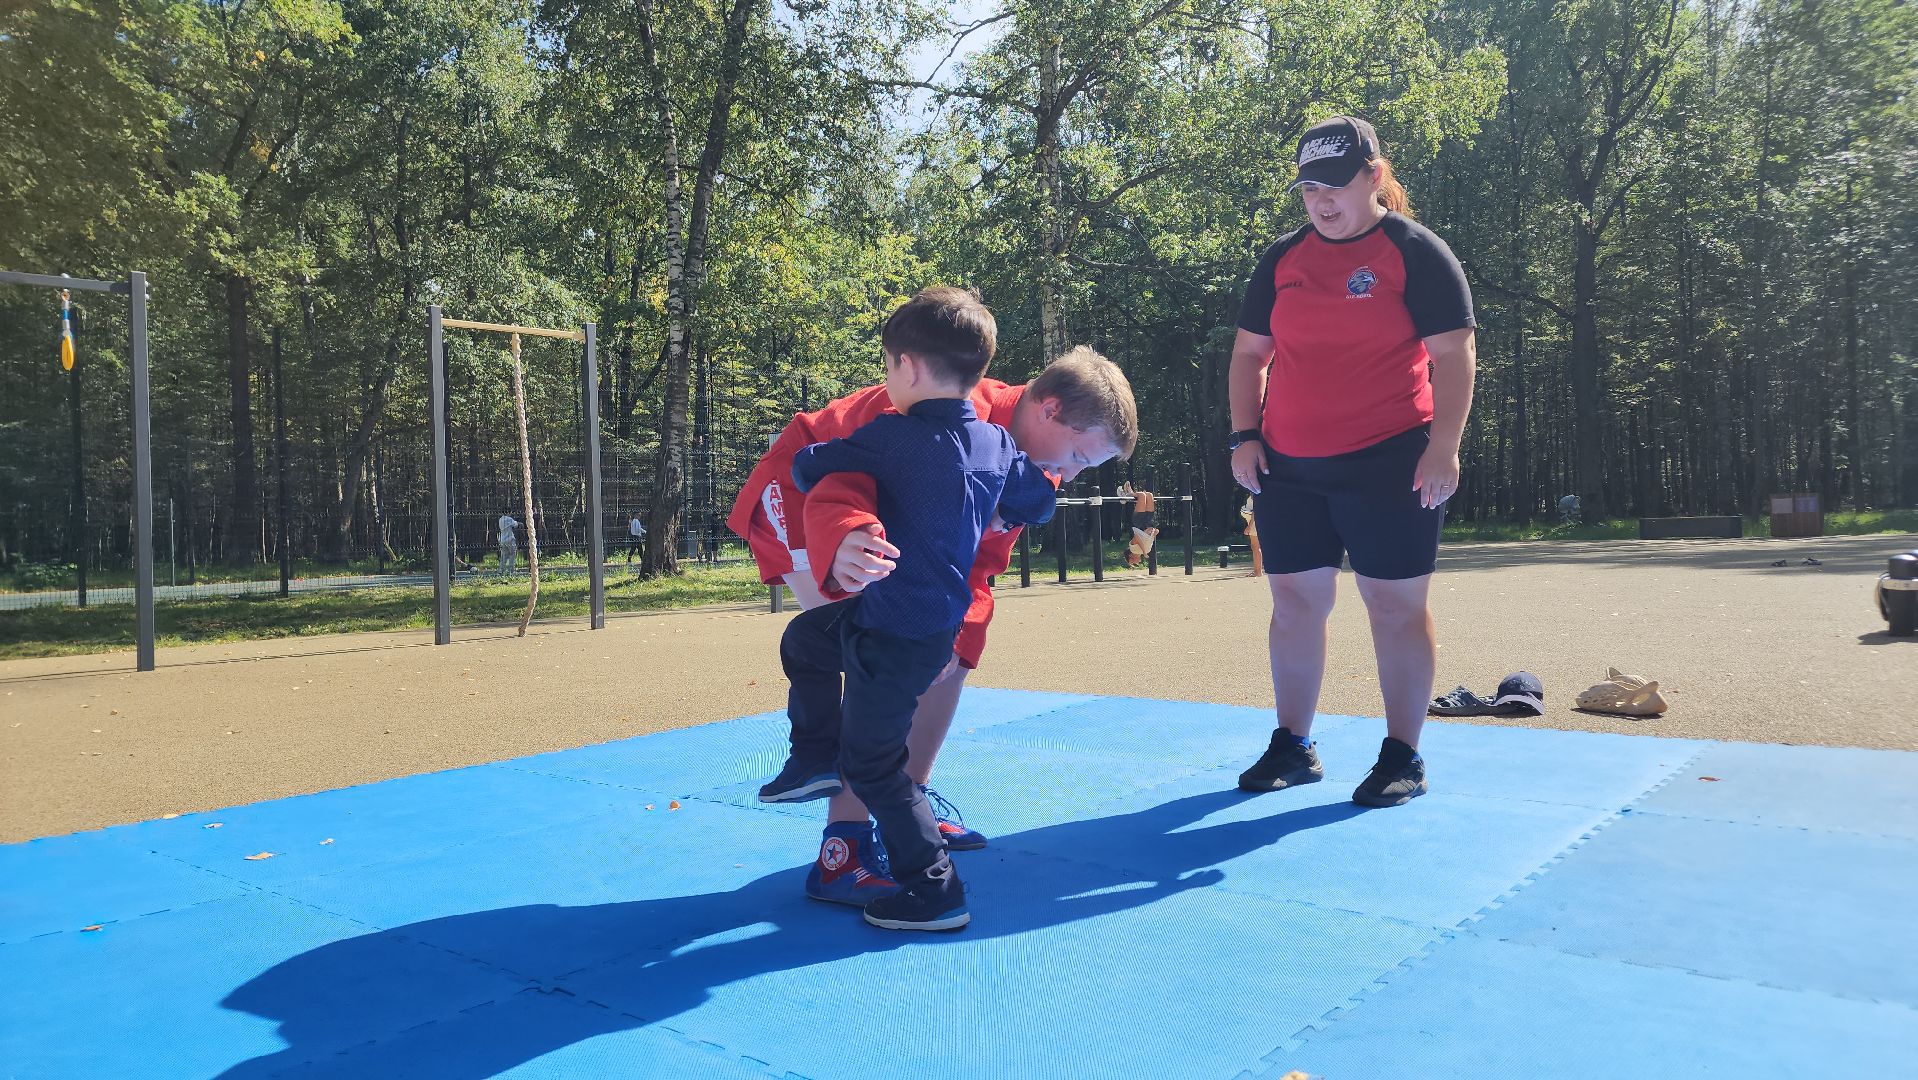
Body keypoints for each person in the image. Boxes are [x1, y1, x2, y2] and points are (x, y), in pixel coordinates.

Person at [729, 304, 1137, 906]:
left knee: (944, 653)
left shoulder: (1025, 463)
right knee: (875, 660)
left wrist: (960, 641)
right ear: (1048, 409)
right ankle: (843, 845)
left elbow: (977, 571)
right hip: (801, 496)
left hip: (877, 539)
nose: (1071, 475)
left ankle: (906, 808)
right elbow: (844, 474)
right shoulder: (938, 407)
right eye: (1079, 456)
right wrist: (844, 536)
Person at [773, 286, 1058, 931]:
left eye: (887, 368)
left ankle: (934, 890)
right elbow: (1036, 500)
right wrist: (1000, 506)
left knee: (876, 766)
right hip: (928, 627)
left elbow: (811, 466)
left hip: (892, 630)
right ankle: (815, 755)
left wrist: (843, 467)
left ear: (905, 366)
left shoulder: (891, 437)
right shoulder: (995, 443)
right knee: (806, 641)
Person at [1227, 115, 1477, 808]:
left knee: (1395, 608)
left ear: (1373, 176)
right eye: (1309, 188)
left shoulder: (1415, 252)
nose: (1321, 201)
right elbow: (1250, 354)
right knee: (1295, 604)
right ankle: (1293, 746)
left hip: (1390, 462)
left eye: (1335, 186)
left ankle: (1403, 753)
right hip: (1289, 468)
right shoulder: (1282, 260)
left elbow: (1454, 356)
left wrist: (1443, 446)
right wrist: (1243, 435)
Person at [1118, 481, 1158, 568]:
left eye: (1133, 563)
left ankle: (1128, 494)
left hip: (1139, 524)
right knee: (1149, 495)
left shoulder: (1133, 549)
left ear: (1130, 557)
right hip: (1148, 524)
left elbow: (1137, 537)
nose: (1138, 562)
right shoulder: (1146, 551)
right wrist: (1154, 533)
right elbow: (1150, 537)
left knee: (1142, 496)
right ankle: (1129, 494)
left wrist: (1144, 551)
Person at [497, 512, 521, 576]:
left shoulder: (500, 519)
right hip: (510, 539)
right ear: (508, 512)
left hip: (502, 539)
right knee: (512, 554)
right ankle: (511, 570)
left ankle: (501, 570)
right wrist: (520, 523)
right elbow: (516, 525)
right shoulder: (509, 519)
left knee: (504, 556)